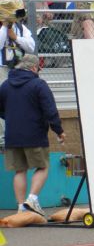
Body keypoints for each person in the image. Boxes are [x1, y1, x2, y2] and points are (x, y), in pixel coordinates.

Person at [0, 54, 65, 216]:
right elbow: (50, 110)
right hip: (34, 134)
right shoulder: (38, 84)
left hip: (12, 136)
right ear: (34, 68)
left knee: (19, 171)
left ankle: (21, 207)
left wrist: (11, 119)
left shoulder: (6, 85)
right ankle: (32, 198)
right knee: (42, 166)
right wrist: (59, 130)